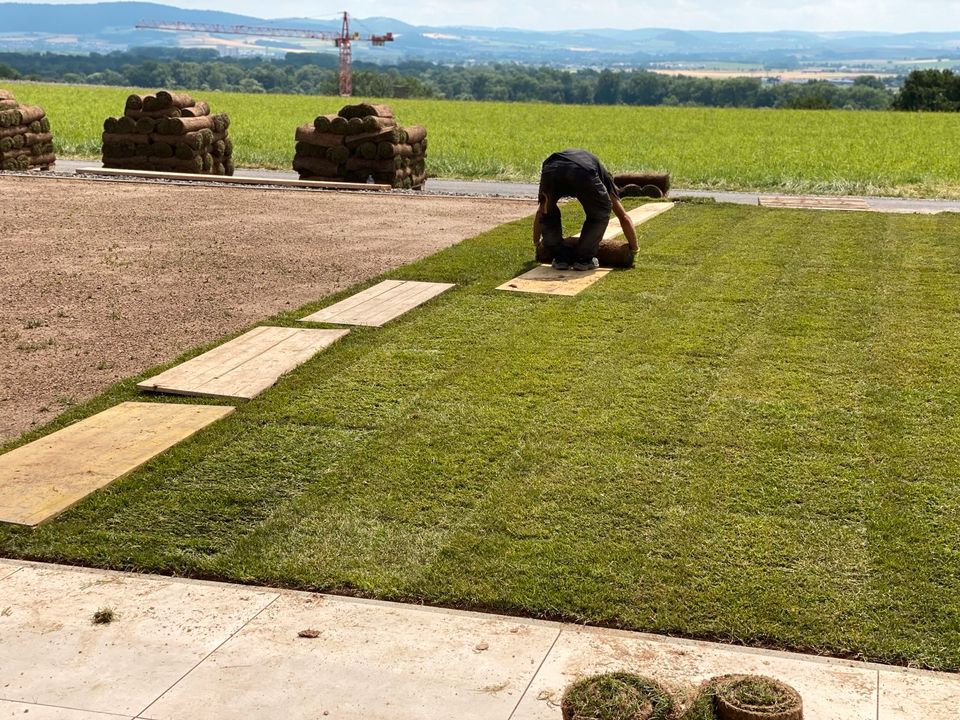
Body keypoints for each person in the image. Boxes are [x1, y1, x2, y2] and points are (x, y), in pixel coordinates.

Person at [532, 149, 639, 271]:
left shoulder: (593, 168)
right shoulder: (604, 177)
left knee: (547, 210)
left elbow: (541, 212)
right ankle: (584, 259)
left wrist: (536, 244)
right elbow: (623, 216)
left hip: (551, 167)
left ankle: (560, 258)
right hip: (582, 171)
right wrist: (635, 249)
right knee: (601, 211)